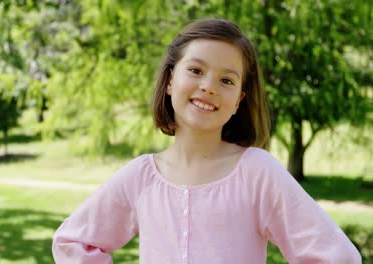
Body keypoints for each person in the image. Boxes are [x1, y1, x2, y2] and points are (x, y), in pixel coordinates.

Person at [52, 18, 361, 263]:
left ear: (239, 99)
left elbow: (336, 256)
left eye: (226, 80)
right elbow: (73, 242)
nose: (209, 86)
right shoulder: (141, 177)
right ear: (171, 80)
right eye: (196, 70)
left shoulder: (256, 173)